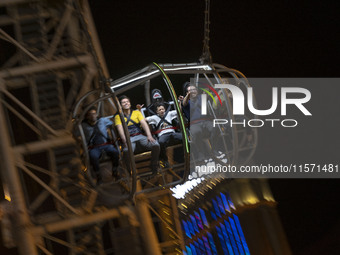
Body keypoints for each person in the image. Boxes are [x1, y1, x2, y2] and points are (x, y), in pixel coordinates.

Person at [115, 95, 160, 174]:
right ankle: (130, 170)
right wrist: (125, 141)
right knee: (126, 151)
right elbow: (120, 129)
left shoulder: (136, 113)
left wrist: (149, 135)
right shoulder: (118, 116)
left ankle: (153, 164)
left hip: (139, 135)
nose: (126, 103)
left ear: (130, 103)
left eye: (127, 102)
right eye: (123, 102)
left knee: (156, 145)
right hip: (129, 139)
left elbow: (144, 124)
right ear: (120, 105)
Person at [81, 106, 119, 184]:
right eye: (90, 114)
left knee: (115, 152)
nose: (93, 116)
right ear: (87, 116)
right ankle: (99, 176)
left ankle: (115, 171)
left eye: (94, 114)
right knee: (93, 156)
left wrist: (113, 135)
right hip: (94, 147)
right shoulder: (83, 125)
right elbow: (76, 133)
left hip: (106, 144)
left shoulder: (102, 120)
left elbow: (112, 123)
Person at [179, 82, 214, 161]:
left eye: (194, 89)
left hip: (205, 121)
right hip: (194, 123)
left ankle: (214, 150)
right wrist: (188, 95)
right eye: (190, 90)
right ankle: (201, 153)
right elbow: (184, 104)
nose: (193, 91)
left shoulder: (201, 97)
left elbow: (208, 93)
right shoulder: (186, 101)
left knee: (214, 128)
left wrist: (206, 91)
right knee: (196, 131)